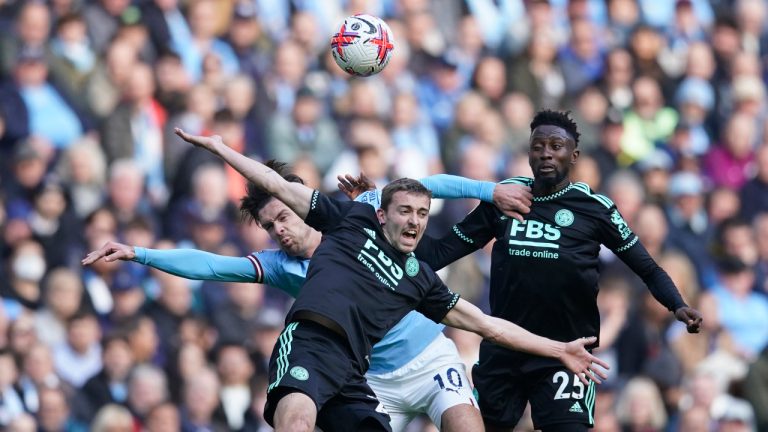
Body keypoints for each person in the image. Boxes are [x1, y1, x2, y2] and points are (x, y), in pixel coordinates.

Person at [105, 128, 606, 432]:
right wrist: (141, 254)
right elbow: (212, 265)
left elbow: (482, 321)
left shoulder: (363, 219)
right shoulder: (286, 264)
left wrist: (486, 190)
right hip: (361, 370)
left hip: (425, 359)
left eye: (285, 216)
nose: (281, 229)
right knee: (298, 416)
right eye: (270, 225)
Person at [410, 109, 702, 432]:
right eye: (538, 146)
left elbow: (647, 268)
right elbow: (439, 253)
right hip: (504, 349)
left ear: (573, 155)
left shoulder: (595, 209)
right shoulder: (506, 198)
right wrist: (385, 228)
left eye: (555, 146)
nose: (546, 153)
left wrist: (677, 304)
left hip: (566, 354)